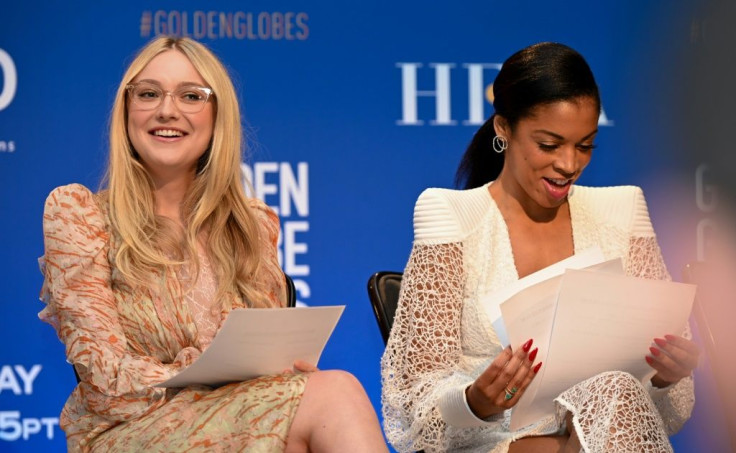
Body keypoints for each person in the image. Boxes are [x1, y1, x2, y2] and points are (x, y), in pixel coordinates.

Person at [39, 36, 388, 453]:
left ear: (216, 115)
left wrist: (285, 373)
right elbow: (103, 377)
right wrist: (206, 373)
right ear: (127, 110)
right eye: (149, 94)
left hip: (240, 417)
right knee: (334, 395)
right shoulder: (78, 214)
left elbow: (263, 359)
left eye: (191, 96)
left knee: (318, 400)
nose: (167, 110)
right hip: (129, 430)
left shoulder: (252, 225)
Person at [381, 42, 698, 453]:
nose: (569, 164)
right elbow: (413, 403)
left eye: (585, 145)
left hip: (608, 432)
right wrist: (477, 400)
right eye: (549, 145)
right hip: (495, 442)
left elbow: (667, 413)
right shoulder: (452, 216)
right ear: (503, 128)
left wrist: (666, 376)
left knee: (616, 392)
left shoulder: (623, 213)